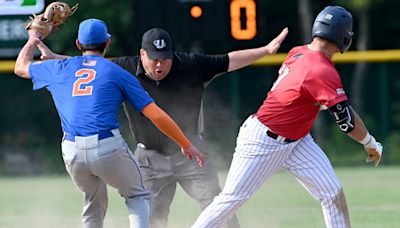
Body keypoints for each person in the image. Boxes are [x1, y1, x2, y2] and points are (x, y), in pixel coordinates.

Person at [38, 26, 289, 228]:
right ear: (142, 54)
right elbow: (88, 65)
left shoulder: (189, 64)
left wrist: (266, 50)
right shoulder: (125, 67)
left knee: (218, 208)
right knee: (151, 219)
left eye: (165, 59)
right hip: (149, 159)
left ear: (172, 55)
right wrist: (54, 59)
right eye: (154, 59)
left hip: (191, 156)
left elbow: (229, 60)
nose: (160, 65)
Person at [191, 6, 383, 228]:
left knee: (331, 192)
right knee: (230, 200)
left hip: (297, 139)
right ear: (343, 37)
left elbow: (297, 95)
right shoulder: (322, 69)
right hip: (263, 141)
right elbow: (347, 122)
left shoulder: (299, 51)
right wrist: (370, 143)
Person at [14, 18, 204, 228]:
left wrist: (34, 38)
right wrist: (185, 144)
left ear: (78, 44)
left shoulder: (59, 67)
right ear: (107, 43)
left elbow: (21, 67)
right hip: (106, 148)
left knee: (93, 198)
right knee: (138, 194)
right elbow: (156, 115)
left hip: (71, 151)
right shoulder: (117, 72)